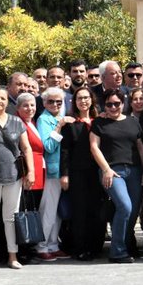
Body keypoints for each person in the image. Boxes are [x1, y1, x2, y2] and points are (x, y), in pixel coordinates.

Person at [89, 91, 143, 263]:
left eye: (116, 103)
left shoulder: (133, 122)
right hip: (113, 171)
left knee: (133, 212)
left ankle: (125, 247)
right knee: (125, 207)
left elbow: (141, 148)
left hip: (135, 171)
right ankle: (117, 251)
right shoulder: (99, 122)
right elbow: (94, 146)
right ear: (103, 106)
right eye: (109, 104)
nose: (113, 107)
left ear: (123, 103)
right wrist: (105, 169)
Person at [0, 87, 29, 269]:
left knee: (10, 217)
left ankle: (12, 256)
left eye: (2, 98)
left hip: (14, 175)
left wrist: (30, 172)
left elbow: (26, 148)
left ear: (7, 102)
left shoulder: (17, 122)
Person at [61, 87, 102, 261]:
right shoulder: (71, 124)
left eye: (86, 98)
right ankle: (80, 248)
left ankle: (96, 247)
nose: (83, 101)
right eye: (79, 98)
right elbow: (65, 151)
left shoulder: (99, 122)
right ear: (74, 102)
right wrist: (65, 174)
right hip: (77, 173)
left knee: (96, 210)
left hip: (97, 172)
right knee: (79, 211)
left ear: (92, 100)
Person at [15, 93, 48, 260]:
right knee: (24, 209)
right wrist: (29, 171)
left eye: (32, 105)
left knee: (32, 208)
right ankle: (23, 248)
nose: (30, 109)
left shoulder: (33, 122)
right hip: (29, 171)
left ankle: (31, 244)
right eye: (25, 106)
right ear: (18, 108)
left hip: (39, 170)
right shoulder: (19, 123)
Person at [37, 87, 67, 260]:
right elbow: (47, 146)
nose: (55, 104)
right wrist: (59, 127)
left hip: (61, 170)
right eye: (51, 101)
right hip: (51, 170)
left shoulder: (59, 118)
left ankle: (53, 243)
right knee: (48, 209)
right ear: (44, 103)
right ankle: (41, 246)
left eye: (59, 101)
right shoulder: (44, 119)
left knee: (56, 211)